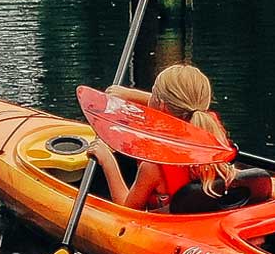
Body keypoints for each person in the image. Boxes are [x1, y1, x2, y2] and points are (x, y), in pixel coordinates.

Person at [83, 64, 249, 214]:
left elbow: (127, 210)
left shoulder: (153, 166)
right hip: (207, 216)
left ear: (161, 104)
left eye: (153, 91)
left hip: (171, 229)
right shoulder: (213, 135)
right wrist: (129, 94)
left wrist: (107, 161)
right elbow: (179, 105)